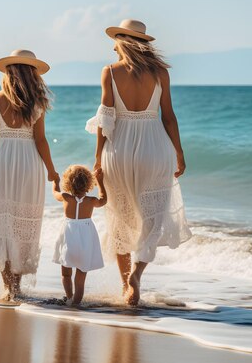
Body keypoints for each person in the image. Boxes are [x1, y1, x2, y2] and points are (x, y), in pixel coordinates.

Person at [86, 19, 192, 305]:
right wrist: (179, 152)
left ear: (121, 41)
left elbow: (106, 119)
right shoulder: (160, 73)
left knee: (120, 219)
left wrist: (98, 158)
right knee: (152, 220)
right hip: (155, 149)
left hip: (118, 151)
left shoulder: (109, 71)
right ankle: (137, 275)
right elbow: (168, 115)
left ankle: (125, 287)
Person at [0, 49, 58, 300]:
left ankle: (8, 286)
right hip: (29, 162)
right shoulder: (38, 103)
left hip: (1, 160)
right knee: (23, 222)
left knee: (2, 222)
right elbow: (41, 141)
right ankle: (17, 287)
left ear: (8, 73)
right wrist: (52, 170)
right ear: (32, 75)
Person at [52, 165, 106, 306]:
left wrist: (55, 182)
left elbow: (55, 192)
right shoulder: (91, 201)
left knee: (66, 274)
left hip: (69, 240)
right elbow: (103, 200)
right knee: (80, 279)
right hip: (85, 241)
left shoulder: (65, 197)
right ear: (89, 183)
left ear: (68, 183)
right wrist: (100, 182)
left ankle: (69, 298)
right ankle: (76, 303)